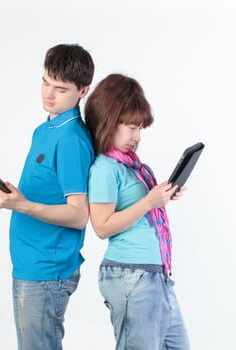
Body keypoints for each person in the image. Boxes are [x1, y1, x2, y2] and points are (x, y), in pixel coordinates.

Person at [0, 44, 95, 350]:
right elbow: (39, 196)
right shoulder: (43, 131)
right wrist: (5, 201)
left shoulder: (71, 138)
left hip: (48, 269)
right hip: (29, 264)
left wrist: (23, 205)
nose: (49, 94)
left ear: (83, 90)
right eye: (45, 82)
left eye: (60, 88)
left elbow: (79, 214)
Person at [84, 73, 190, 350]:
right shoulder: (104, 169)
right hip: (131, 274)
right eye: (131, 127)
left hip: (156, 275)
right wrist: (148, 202)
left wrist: (163, 196)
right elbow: (102, 226)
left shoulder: (131, 166)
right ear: (109, 121)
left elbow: (144, 207)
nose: (137, 136)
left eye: (140, 128)